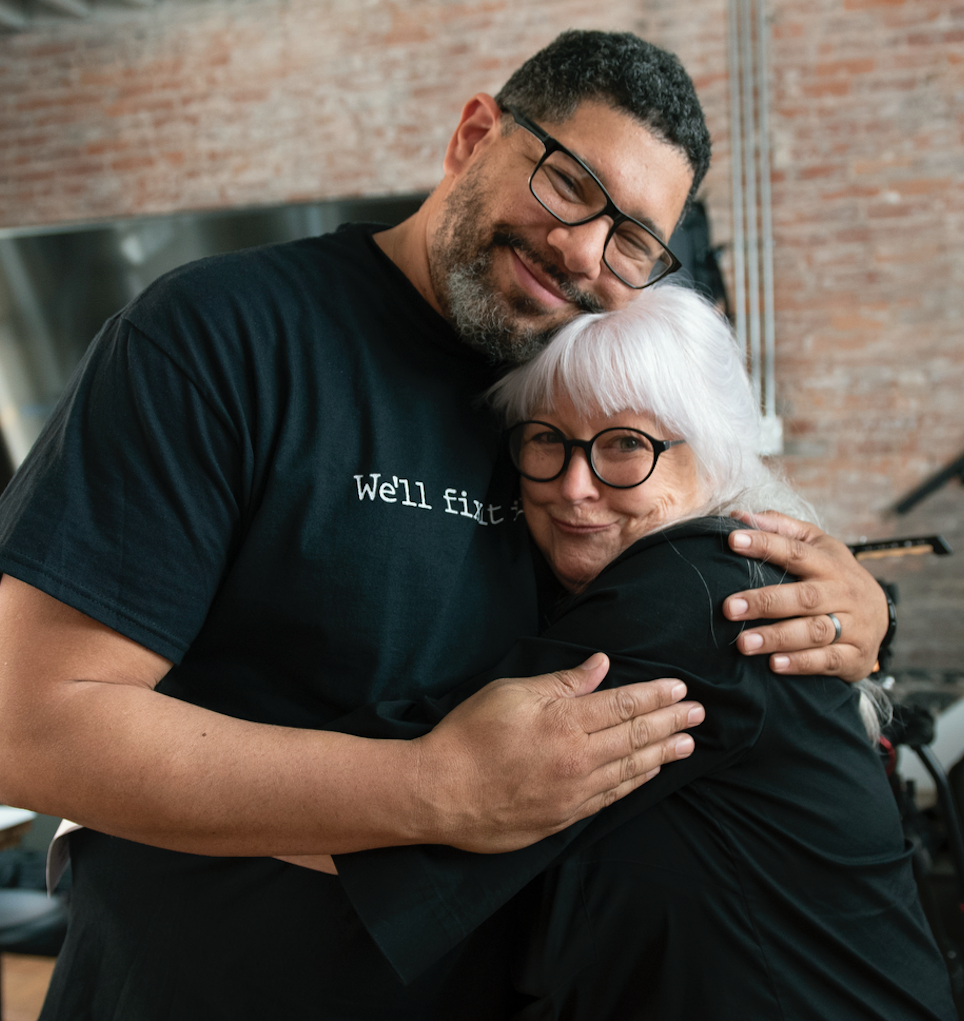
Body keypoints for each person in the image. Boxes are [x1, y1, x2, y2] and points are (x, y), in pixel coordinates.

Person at [0, 31, 889, 1018]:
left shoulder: (574, 398)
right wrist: (426, 786)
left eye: (632, 240)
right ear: (474, 135)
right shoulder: (222, 336)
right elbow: (30, 724)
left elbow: (705, 538)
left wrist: (854, 608)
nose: (585, 251)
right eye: (566, 184)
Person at [324, 283, 954, 1020]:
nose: (574, 487)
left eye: (627, 444)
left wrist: (177, 794)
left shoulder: (700, 596)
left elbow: (391, 819)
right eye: (545, 439)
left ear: (712, 447)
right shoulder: (666, 574)